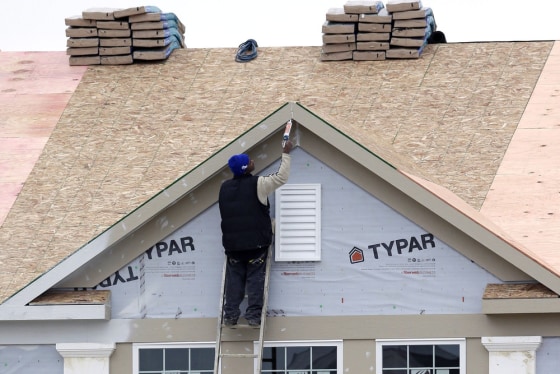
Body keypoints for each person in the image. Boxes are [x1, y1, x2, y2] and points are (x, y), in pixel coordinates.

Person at [218, 139, 293, 327]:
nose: (253, 161)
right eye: (250, 161)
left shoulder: (224, 188)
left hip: (233, 247)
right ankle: (253, 316)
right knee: (255, 280)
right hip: (255, 245)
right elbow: (281, 177)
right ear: (246, 168)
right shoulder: (258, 184)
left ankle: (230, 315)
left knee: (234, 280)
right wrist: (286, 153)